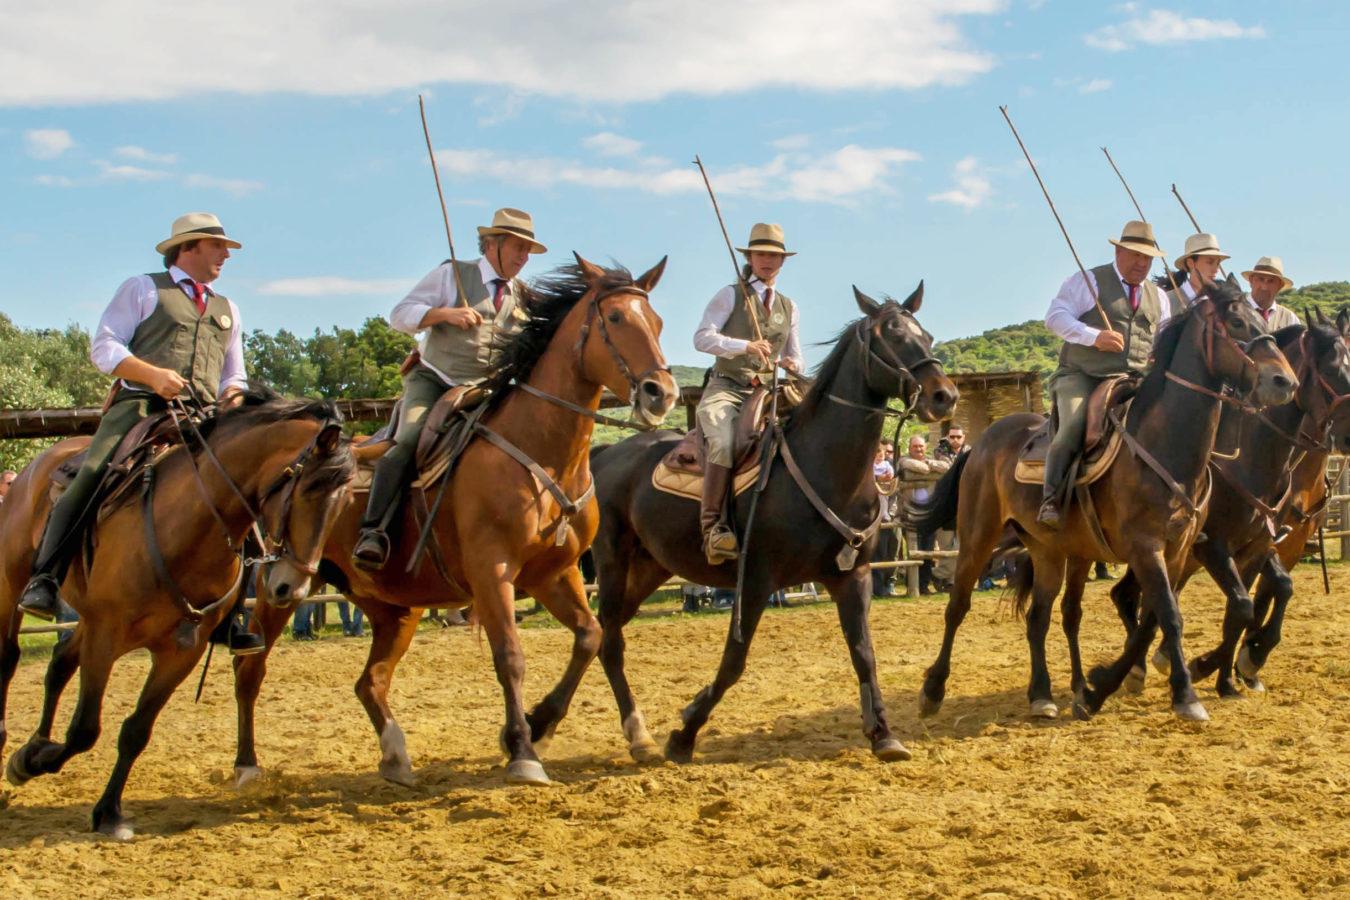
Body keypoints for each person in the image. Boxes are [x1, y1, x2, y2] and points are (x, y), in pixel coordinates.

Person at [17, 213, 262, 655]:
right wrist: (152, 375)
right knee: (94, 471)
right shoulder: (143, 288)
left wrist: (233, 402)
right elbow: (105, 346)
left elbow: (235, 374)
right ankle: (45, 577)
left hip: (202, 416)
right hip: (139, 406)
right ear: (188, 248)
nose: (226, 255)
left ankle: (230, 612)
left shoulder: (230, 308)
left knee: (241, 491)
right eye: (217, 247)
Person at [353, 208, 546, 570]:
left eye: (527, 252)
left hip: (487, 392)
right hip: (435, 381)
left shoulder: (522, 295)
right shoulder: (453, 274)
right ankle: (372, 531)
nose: (523, 258)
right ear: (492, 244)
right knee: (409, 440)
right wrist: (445, 315)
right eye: (518, 248)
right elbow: (399, 315)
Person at [1039, 220, 1169, 529]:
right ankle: (1051, 498)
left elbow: (1163, 335)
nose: (1142, 263)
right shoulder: (1089, 281)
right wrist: (1093, 336)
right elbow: (1054, 318)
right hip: (1083, 375)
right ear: (1119, 251)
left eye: (1148, 258)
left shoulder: (1159, 296)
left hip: (1134, 378)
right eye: (1136, 255)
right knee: (1073, 423)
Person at [692, 223, 804, 564]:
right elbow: (701, 338)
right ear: (750, 258)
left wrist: (791, 363)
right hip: (727, 388)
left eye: (774, 256)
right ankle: (714, 526)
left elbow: (797, 356)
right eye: (761, 254)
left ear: (783, 261)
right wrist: (743, 346)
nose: (767, 261)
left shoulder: (789, 306)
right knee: (724, 442)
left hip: (769, 391)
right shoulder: (729, 294)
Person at [898, 435, 950, 595]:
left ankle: (924, 585)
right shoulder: (902, 461)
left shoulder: (929, 460)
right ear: (909, 448)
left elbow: (947, 466)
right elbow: (906, 464)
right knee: (913, 550)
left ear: (925, 447)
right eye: (915, 447)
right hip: (910, 515)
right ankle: (912, 585)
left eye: (921, 446)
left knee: (927, 551)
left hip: (928, 515)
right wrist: (929, 470)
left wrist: (928, 463)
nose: (919, 449)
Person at [931, 425, 969, 591]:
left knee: (960, 547)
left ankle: (940, 575)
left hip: (964, 506)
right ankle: (945, 580)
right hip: (945, 507)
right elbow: (949, 467)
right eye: (952, 437)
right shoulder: (939, 451)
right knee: (946, 546)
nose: (955, 440)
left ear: (964, 437)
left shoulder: (970, 451)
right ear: (947, 437)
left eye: (958, 437)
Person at [1161, 233, 1228, 314]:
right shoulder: (1167, 301)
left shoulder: (1219, 304)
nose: (1216, 270)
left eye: (1218, 264)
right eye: (1210, 262)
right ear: (1190, 263)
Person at [872, 442, 899, 597]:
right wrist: (877, 478)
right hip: (876, 516)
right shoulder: (871, 467)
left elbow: (894, 493)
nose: (884, 455)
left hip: (891, 516)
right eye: (882, 452)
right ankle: (878, 587)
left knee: (891, 551)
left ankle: (888, 584)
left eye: (887, 452)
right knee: (878, 552)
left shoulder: (889, 466)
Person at [1242, 256, 1300, 330]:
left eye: (1271, 281)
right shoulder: (1233, 310)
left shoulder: (1290, 319)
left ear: (1280, 286)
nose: (1264, 287)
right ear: (1251, 281)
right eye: (1261, 279)